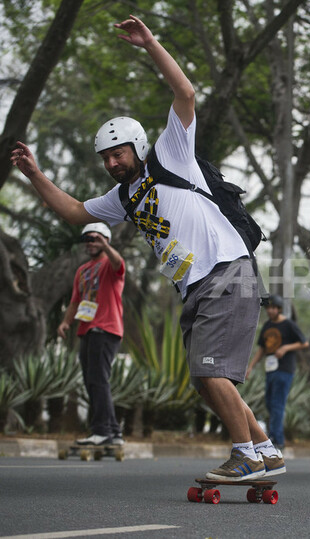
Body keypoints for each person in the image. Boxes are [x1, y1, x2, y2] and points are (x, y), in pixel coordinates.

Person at [11, 15, 283, 481]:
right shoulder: (123, 197)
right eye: (106, 158)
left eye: (118, 153)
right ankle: (264, 449)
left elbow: (186, 94)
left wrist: (150, 43)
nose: (112, 163)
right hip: (196, 286)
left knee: (211, 371)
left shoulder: (170, 155)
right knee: (205, 380)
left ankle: (245, 457)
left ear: (137, 147)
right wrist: (36, 176)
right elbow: (75, 212)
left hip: (226, 270)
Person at [58, 223, 125, 446]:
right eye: (87, 239)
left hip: (106, 328)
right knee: (91, 381)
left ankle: (101, 431)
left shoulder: (111, 265)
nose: (90, 243)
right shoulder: (82, 270)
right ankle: (113, 432)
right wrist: (66, 322)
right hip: (86, 329)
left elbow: (118, 262)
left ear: (106, 240)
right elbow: (75, 301)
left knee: (98, 380)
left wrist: (105, 245)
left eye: (95, 239)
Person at [246, 294, 309, 450]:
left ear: (279, 309)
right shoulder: (267, 326)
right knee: (269, 402)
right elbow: (262, 348)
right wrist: (251, 366)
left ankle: (277, 440)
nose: (270, 311)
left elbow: (304, 343)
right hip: (270, 369)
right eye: (268, 308)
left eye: (273, 308)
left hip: (284, 369)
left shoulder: (288, 325)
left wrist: (286, 347)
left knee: (277, 404)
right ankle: (274, 436)